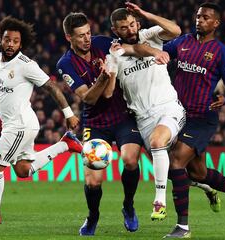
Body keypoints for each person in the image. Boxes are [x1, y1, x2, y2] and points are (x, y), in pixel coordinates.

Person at [0, 16, 83, 224]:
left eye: (15, 41)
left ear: (21, 44)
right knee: (23, 170)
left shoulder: (27, 65)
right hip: (17, 125)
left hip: (20, 125)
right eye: (7, 40)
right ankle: (64, 145)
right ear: (0, 40)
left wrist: (69, 114)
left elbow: (51, 87)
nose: (10, 44)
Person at [108, 3, 221, 221]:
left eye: (132, 24)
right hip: (143, 119)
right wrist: (110, 73)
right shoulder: (115, 54)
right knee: (173, 172)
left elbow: (176, 30)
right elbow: (135, 54)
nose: (130, 30)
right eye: (124, 28)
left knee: (158, 142)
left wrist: (146, 14)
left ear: (138, 23)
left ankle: (160, 202)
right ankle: (208, 188)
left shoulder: (149, 34)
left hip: (169, 108)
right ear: (116, 31)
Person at [162, 2, 225, 238]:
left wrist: (224, 99)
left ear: (216, 23)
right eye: (198, 16)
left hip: (202, 117)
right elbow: (160, 53)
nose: (200, 20)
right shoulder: (182, 42)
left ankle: (183, 227)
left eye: (205, 17)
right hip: (177, 114)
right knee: (198, 173)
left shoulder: (220, 52)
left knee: (175, 162)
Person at [56, 12, 157, 235]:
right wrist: (105, 75)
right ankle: (93, 216)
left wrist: (153, 51)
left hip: (122, 115)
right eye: (80, 35)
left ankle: (128, 207)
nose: (86, 39)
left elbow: (132, 49)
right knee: (93, 181)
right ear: (68, 38)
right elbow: (89, 98)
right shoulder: (65, 64)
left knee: (130, 160)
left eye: (88, 33)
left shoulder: (103, 43)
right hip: (95, 122)